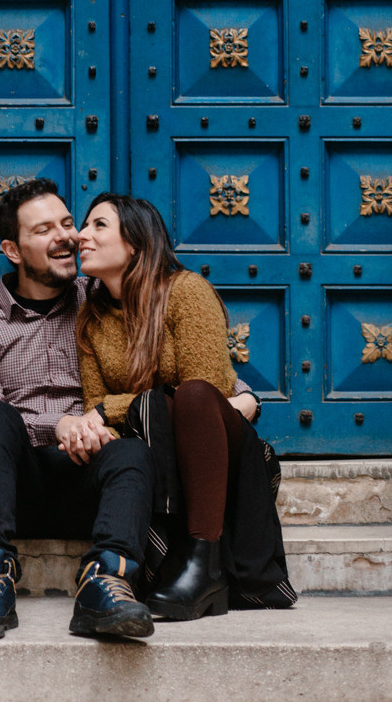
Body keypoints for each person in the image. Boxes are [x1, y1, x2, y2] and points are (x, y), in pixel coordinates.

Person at [0, 178, 155, 642]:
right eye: (44, 229)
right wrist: (60, 423)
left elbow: (174, 359)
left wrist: (242, 394)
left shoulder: (103, 300)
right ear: (14, 250)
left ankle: (106, 583)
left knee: (132, 453)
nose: (65, 236)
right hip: (17, 490)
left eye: (68, 222)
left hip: (93, 483)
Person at [76, 193, 297, 619]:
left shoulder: (186, 292)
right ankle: (175, 564)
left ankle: (204, 563)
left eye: (98, 225)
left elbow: (208, 393)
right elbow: (94, 409)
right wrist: (110, 416)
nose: (82, 236)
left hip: (218, 445)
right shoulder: (92, 318)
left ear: (136, 243)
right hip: (155, 456)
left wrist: (113, 410)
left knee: (193, 396)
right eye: (84, 226)